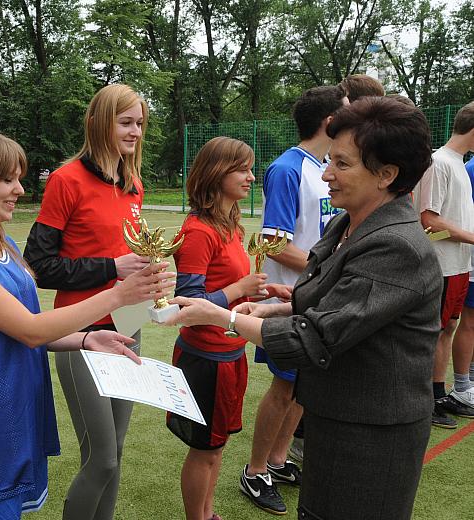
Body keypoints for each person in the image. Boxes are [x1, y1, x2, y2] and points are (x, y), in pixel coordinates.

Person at [167, 97, 439, 520]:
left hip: (370, 435)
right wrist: (281, 307)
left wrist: (228, 317)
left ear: (387, 175)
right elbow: (332, 303)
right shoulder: (344, 225)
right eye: (329, 160)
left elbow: (317, 337)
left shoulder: (396, 246)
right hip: (332, 415)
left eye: (342, 165)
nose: (326, 174)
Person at [0, 127, 175, 520]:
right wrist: (118, 295)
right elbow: (28, 329)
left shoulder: (0, 243)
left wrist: (83, 340)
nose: (20, 190)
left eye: (19, 178)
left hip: (16, 408)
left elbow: (21, 327)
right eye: (7, 179)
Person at [23, 83, 151, 520]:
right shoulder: (66, 180)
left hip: (130, 327)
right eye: (125, 122)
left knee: (116, 450)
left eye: (139, 123)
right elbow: (37, 265)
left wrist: (151, 273)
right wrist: (113, 269)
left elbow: (128, 254)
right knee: (102, 458)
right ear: (98, 123)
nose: (135, 131)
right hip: (82, 333)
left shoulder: (134, 183)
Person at [170, 136, 289, 520]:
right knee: (205, 451)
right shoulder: (199, 231)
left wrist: (268, 289)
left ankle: (208, 513)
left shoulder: (231, 226)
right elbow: (188, 302)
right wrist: (239, 289)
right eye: (242, 169)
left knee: (215, 448)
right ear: (216, 173)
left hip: (230, 351)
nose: (252, 177)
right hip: (206, 359)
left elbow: (230, 286)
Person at [242, 85, 347, 515]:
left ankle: (279, 460)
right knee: (285, 387)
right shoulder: (287, 169)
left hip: (317, 295)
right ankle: (254, 471)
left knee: (305, 387)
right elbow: (273, 243)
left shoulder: (322, 167)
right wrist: (329, 271)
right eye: (345, 114)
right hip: (294, 295)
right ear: (329, 123)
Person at [417, 101, 474, 426]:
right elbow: (428, 223)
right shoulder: (438, 163)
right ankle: (423, 399)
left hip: (458, 267)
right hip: (440, 269)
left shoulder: (459, 163)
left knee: (446, 329)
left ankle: (438, 395)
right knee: (432, 333)